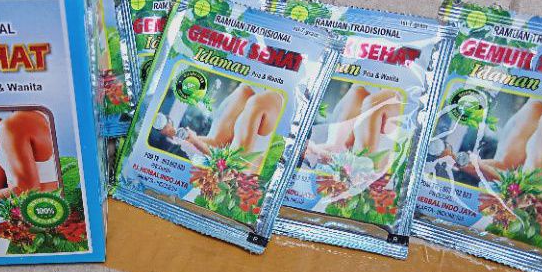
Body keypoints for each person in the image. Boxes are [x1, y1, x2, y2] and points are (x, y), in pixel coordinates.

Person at [450, 102, 542, 196]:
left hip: (536, 216)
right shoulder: (538, 107)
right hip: (519, 206)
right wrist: (466, 162)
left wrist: (475, 165)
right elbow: (505, 165)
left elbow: (531, 188)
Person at [155, 83, 283, 170]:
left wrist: (194, 141)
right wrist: (180, 136)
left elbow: (234, 163)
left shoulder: (262, 101)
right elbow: (218, 142)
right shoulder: (247, 90)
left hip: (237, 186)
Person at [304, 84, 403, 169]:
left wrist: (315, 151)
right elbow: (339, 149)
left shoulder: (375, 101)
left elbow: (361, 169)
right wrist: (313, 150)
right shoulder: (360, 91)